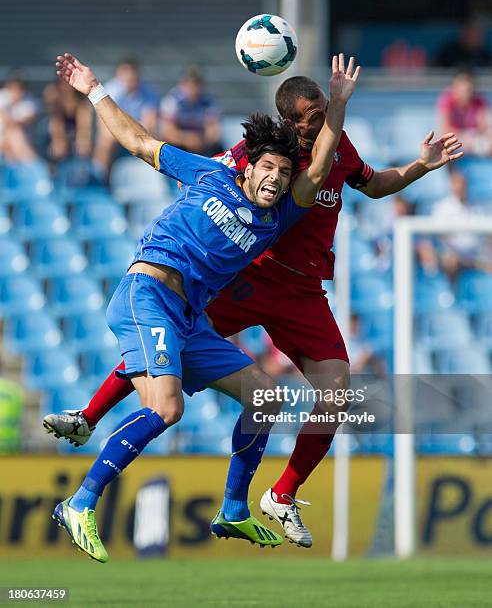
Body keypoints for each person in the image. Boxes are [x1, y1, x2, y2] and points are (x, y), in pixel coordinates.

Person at [45, 68, 464, 550]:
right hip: (185, 288)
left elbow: (325, 173)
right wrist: (95, 89)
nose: (277, 177)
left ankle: (245, 506)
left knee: (270, 396)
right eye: (269, 168)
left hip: (289, 293)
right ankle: (82, 482)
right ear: (255, 158)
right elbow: (140, 142)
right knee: (165, 397)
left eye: (284, 173)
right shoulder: (217, 171)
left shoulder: (284, 207)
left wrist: (414, 162)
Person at [93, 58, 159, 177]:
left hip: (139, 136)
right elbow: (104, 128)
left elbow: (150, 125)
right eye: (126, 73)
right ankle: (101, 178)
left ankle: (149, 179)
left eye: (133, 73)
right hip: (117, 136)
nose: (130, 77)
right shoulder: (109, 91)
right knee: (105, 142)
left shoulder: (148, 93)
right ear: (119, 74)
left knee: (154, 143)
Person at [160, 66, 223, 157]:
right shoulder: (171, 100)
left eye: (196, 84)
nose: (193, 88)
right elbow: (167, 132)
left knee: (218, 150)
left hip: (202, 144)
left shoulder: (209, 102)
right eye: (189, 84)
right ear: (182, 84)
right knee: (167, 149)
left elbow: (214, 132)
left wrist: (200, 141)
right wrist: (188, 140)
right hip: (179, 145)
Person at [437, 70, 492, 157]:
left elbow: (483, 126)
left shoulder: (479, 101)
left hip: (472, 139)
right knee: (446, 146)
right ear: (455, 87)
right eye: (462, 87)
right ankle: (453, 170)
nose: (465, 91)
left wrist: (477, 139)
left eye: (468, 88)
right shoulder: (447, 100)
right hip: (456, 138)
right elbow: (445, 128)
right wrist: (465, 138)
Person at [0, 74, 39, 163]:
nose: (16, 91)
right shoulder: (2, 96)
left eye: (19, 89)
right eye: (13, 88)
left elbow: (26, 120)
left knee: (15, 133)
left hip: (22, 142)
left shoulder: (30, 102)